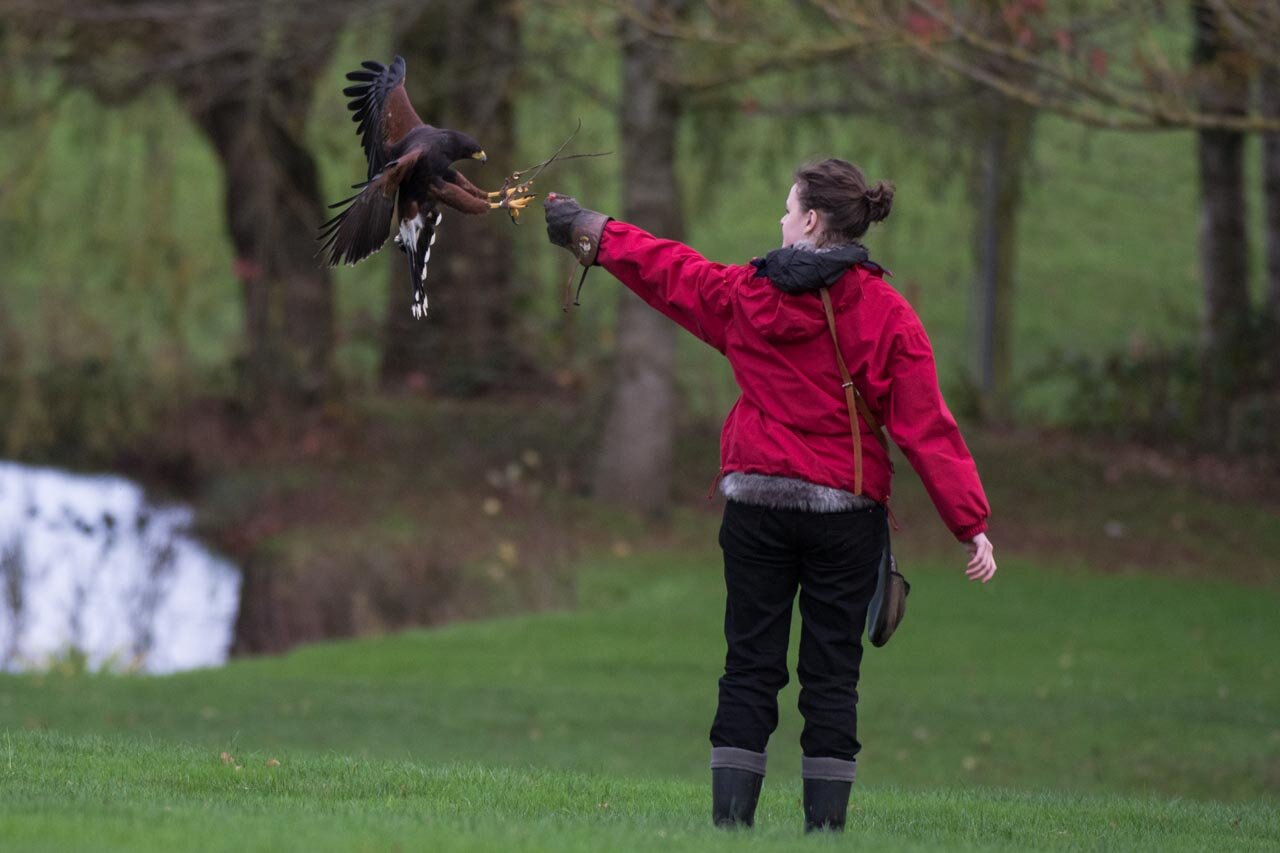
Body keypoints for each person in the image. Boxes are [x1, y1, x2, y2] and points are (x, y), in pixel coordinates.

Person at [542, 158, 997, 833]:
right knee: (832, 677)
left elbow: (671, 271)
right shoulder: (885, 312)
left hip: (755, 506)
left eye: (788, 210)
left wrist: (592, 231)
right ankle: (825, 833)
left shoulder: (745, 295)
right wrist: (971, 523)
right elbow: (926, 425)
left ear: (811, 220)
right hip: (846, 515)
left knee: (749, 666)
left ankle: (730, 830)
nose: (780, 221)